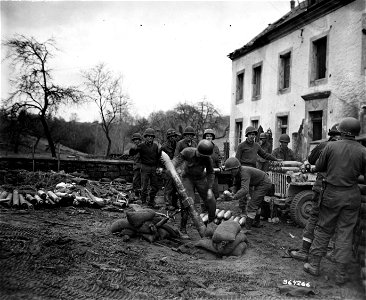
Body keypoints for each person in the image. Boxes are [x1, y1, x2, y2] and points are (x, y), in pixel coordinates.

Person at [303, 117, 366, 285]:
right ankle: (340, 275)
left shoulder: (331, 146)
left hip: (332, 194)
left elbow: (319, 166)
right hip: (352, 196)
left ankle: (314, 265)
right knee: (345, 233)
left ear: (342, 131)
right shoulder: (363, 150)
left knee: (324, 229)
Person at [290, 124, 341, 261]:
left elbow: (311, 161)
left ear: (331, 134)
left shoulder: (324, 146)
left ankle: (305, 251)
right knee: (337, 221)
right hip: (340, 191)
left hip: (322, 187)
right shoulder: (349, 148)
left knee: (314, 218)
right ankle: (334, 253)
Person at [172, 139, 216, 238]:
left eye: (203, 156)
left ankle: (211, 224)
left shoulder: (207, 158)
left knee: (211, 200)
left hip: (200, 178)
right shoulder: (187, 151)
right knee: (188, 201)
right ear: (197, 151)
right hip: (187, 178)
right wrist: (174, 168)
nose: (201, 157)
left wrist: (209, 188)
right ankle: (183, 229)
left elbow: (211, 173)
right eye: (200, 154)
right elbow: (176, 160)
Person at [224, 157, 273, 229]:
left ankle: (247, 228)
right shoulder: (237, 173)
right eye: (229, 170)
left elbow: (245, 189)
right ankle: (256, 222)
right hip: (257, 183)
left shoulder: (244, 172)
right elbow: (236, 184)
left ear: (237, 167)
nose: (231, 172)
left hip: (264, 183)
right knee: (257, 202)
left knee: (252, 204)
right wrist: (233, 192)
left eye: (232, 170)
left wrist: (235, 196)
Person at [129, 128, 162, 209]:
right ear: (145, 137)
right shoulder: (141, 146)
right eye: (148, 136)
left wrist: (158, 167)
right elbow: (132, 153)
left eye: (151, 136)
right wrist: (133, 148)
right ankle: (143, 202)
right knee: (144, 186)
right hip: (145, 167)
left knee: (155, 186)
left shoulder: (155, 146)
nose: (150, 138)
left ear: (153, 137)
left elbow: (158, 157)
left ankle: (151, 201)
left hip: (153, 167)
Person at [161, 128, 179, 211]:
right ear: (168, 137)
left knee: (176, 187)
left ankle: (175, 204)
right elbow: (160, 157)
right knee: (168, 187)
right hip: (167, 169)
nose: (172, 138)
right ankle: (168, 204)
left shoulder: (178, 145)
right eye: (171, 137)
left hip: (176, 168)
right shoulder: (164, 146)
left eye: (174, 136)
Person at [203, 128, 222, 199]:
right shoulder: (201, 147)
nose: (209, 137)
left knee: (215, 189)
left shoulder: (215, 148)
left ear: (212, 137)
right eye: (207, 136)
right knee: (205, 189)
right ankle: (205, 204)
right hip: (204, 172)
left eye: (210, 136)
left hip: (214, 171)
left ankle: (214, 203)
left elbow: (218, 159)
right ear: (205, 137)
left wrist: (220, 166)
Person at [131, 133, 142, 198]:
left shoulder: (142, 147)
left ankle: (141, 196)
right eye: (134, 140)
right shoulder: (134, 148)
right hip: (136, 167)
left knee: (142, 182)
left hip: (141, 167)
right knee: (135, 182)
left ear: (140, 140)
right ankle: (136, 195)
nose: (135, 141)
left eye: (137, 139)